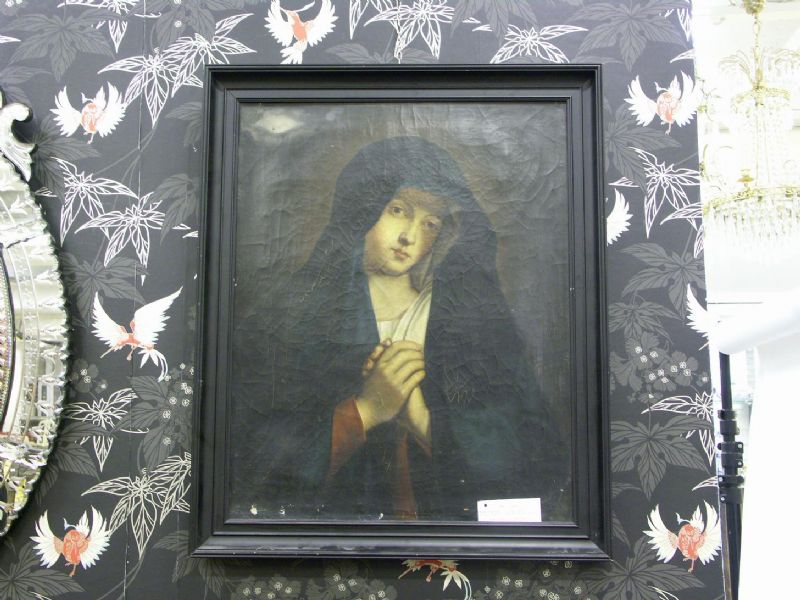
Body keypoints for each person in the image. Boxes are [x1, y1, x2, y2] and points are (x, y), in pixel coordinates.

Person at [234, 136, 567, 521]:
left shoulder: (474, 321)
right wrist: (365, 411)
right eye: (397, 210)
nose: (410, 236)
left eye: (430, 223)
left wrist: (423, 422)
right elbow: (249, 462)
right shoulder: (292, 312)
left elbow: (536, 461)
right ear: (362, 209)